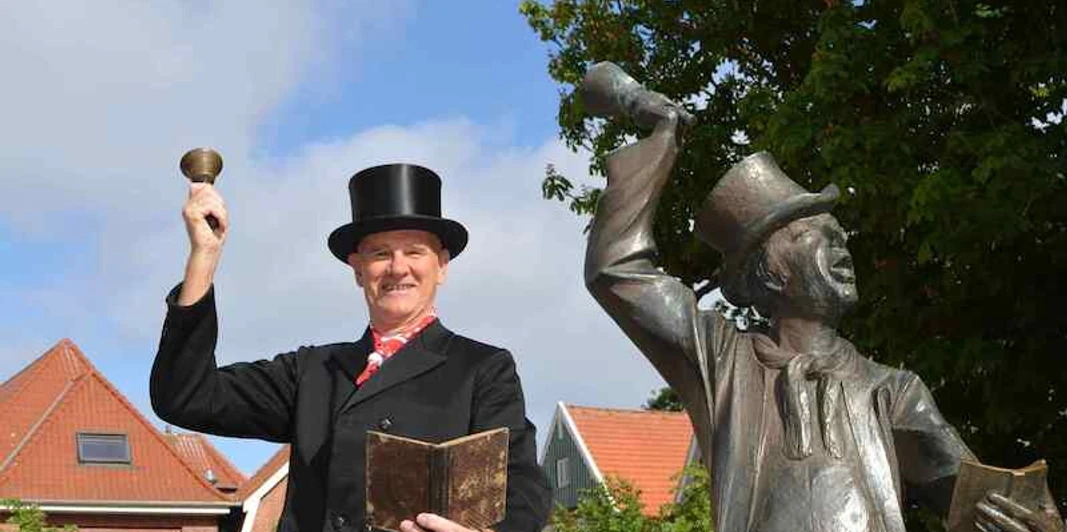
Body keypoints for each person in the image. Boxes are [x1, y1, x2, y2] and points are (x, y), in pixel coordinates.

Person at [581, 64, 1063, 532]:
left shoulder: (892, 392)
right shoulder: (721, 359)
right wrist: (660, 138)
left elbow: (984, 509)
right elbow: (616, 269)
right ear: (769, 272)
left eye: (840, 234)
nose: (841, 246)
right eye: (814, 234)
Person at [151, 163, 550, 532]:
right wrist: (204, 256)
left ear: (441, 265)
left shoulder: (482, 368)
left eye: (414, 251)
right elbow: (185, 397)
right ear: (358, 269)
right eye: (380, 253)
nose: (397, 267)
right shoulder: (312, 371)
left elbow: (523, 491)